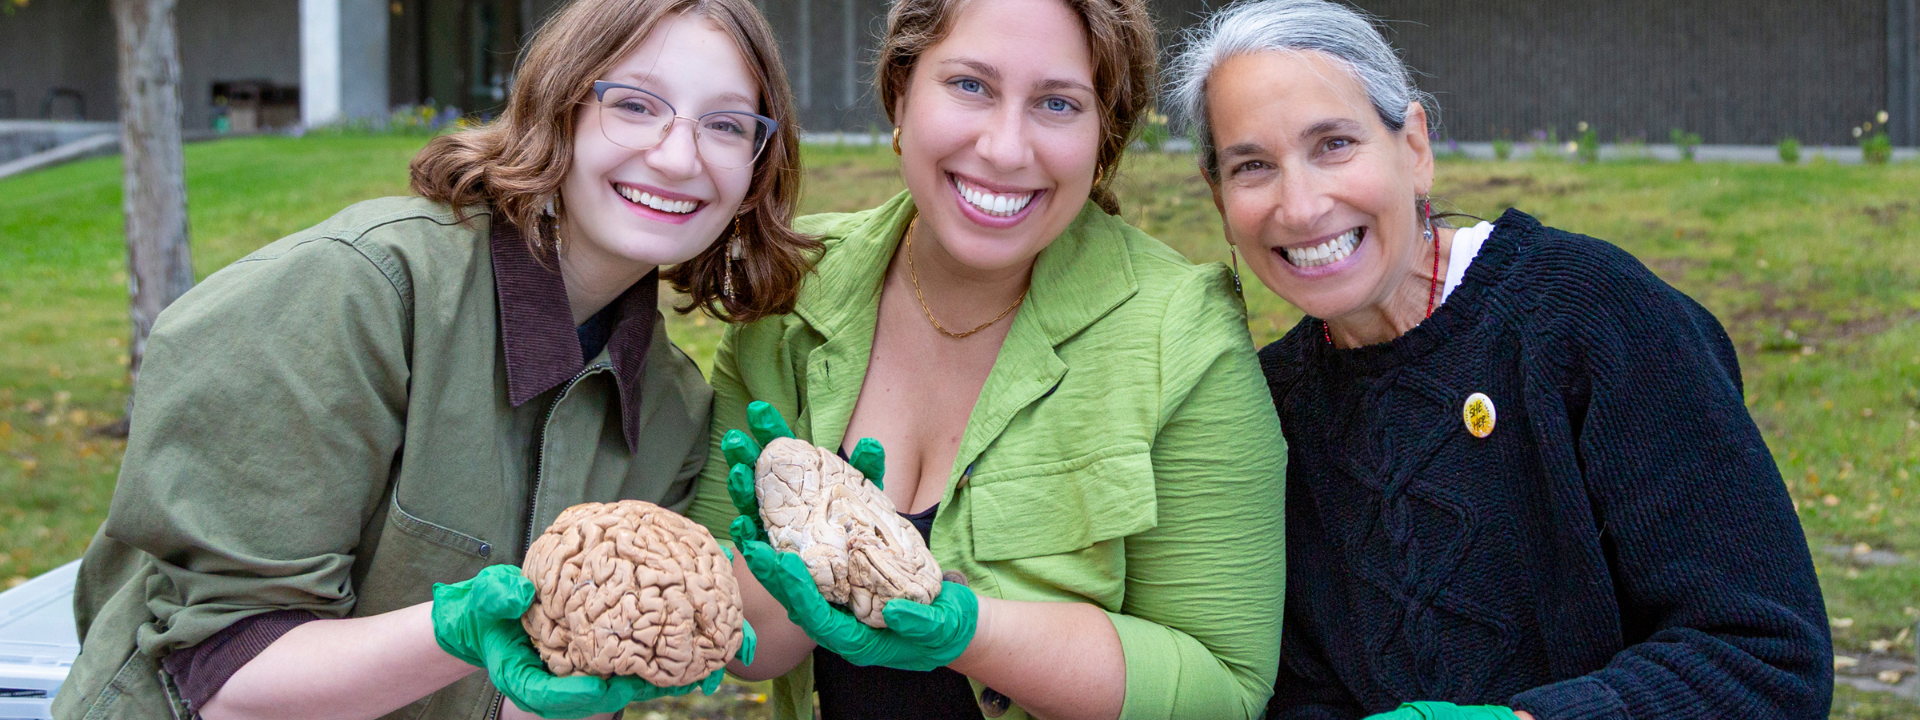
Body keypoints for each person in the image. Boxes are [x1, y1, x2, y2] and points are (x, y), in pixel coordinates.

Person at [53, 0, 812, 718]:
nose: (678, 157)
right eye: (636, 105)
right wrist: (456, 635)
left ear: (755, 168)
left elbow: (531, 695)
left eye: (726, 124)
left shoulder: (671, 409)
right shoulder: (357, 294)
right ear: (559, 110)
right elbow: (224, 676)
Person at [1164, 1, 1833, 718]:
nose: (1299, 206)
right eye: (1253, 165)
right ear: (1219, 196)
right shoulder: (1271, 406)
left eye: (1333, 144)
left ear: (1414, 148)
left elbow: (1766, 656)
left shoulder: (1591, 315)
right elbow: (1294, 689)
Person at [678, 1, 1287, 719]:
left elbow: (1223, 688)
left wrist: (968, 632)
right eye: (970, 85)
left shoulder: (1182, 335)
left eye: (1057, 103)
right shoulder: (788, 293)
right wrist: (782, 583)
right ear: (901, 91)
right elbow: (746, 642)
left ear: (1103, 137)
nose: (1004, 147)